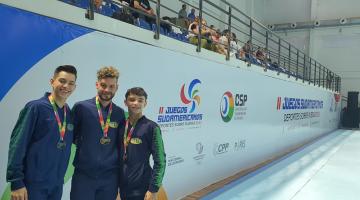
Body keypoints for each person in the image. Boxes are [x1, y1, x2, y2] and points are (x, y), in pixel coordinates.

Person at [6, 65, 77, 200]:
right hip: (31, 186)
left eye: (71, 83)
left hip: (56, 186)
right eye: (62, 81)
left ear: (74, 87)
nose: (66, 86)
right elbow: (17, 145)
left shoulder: (69, 113)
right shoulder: (35, 108)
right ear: (52, 81)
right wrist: (16, 182)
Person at [70, 66, 125, 200]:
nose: (107, 90)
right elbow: (71, 136)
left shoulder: (119, 113)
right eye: (103, 85)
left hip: (109, 178)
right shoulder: (81, 107)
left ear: (116, 88)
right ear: (97, 85)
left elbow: (120, 144)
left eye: (111, 86)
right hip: (84, 176)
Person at [120, 87, 166, 200]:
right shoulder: (120, 126)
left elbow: (160, 161)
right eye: (132, 99)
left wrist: (153, 190)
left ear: (145, 103)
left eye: (140, 100)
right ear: (125, 102)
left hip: (143, 187)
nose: (136, 103)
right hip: (121, 186)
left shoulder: (151, 127)